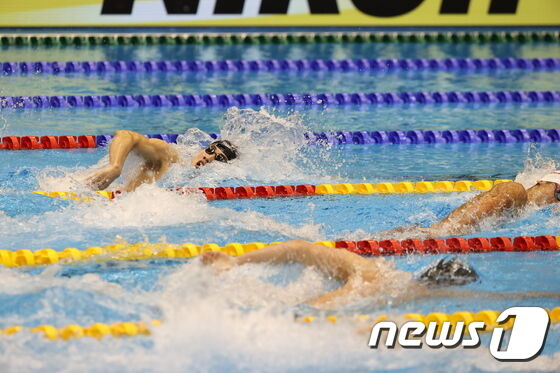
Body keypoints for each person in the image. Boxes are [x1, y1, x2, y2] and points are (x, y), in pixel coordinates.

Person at [201, 240, 557, 310]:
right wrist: (307, 313)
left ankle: (234, 263)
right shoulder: (392, 286)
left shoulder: (378, 270)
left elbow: (300, 248)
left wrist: (238, 262)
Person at [379, 172, 560, 238]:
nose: (555, 201)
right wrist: (440, 232)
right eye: (559, 192)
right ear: (542, 182)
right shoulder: (516, 192)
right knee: (515, 190)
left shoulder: (531, 218)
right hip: (440, 233)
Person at [86, 130, 238, 191]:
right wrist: (115, 167)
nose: (208, 157)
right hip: (87, 186)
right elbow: (126, 135)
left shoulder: (198, 183)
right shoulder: (170, 156)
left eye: (218, 159)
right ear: (203, 148)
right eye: (210, 150)